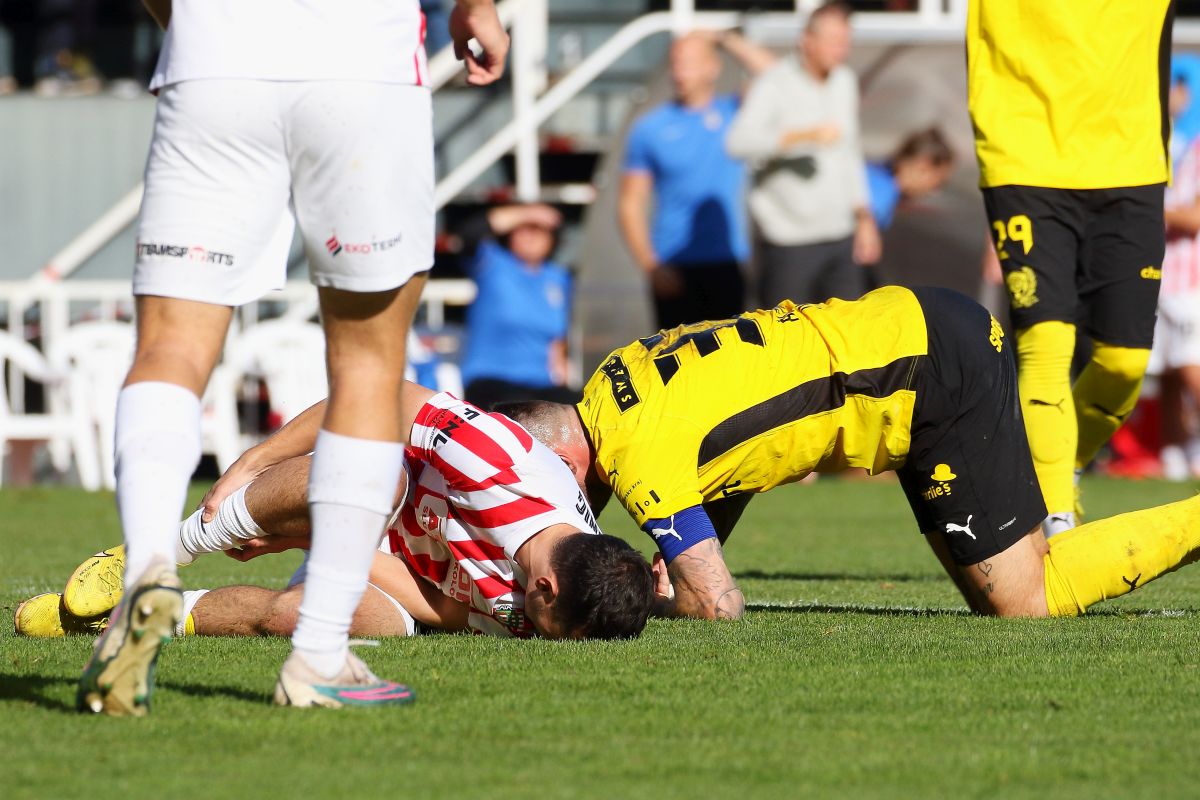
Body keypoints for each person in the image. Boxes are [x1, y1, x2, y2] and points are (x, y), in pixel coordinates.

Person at [78, 0, 509, 717]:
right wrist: (476, 8)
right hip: (362, 68)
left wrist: (189, 30)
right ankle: (318, 653)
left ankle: (146, 575)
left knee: (168, 345)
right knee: (367, 368)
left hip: (216, 60)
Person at [496, 286, 1200, 623]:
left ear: (564, 468)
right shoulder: (613, 375)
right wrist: (678, 554)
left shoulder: (636, 457)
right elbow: (724, 442)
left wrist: (648, 600)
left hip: (923, 371)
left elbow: (719, 605)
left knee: (1026, 603)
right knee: (1000, 595)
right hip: (907, 333)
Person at [18, 383, 655, 651]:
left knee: (298, 617)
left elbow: (443, 607)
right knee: (372, 474)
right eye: (550, 631)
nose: (542, 640)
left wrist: (316, 546)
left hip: (403, 566)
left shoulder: (558, 596)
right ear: (546, 588)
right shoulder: (497, 464)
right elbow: (374, 395)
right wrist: (255, 460)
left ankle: (130, 618)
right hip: (380, 491)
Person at [966, 0, 1175, 537]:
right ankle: (1056, 518)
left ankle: (1059, 461)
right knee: (1045, 346)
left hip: (1129, 161)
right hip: (1024, 156)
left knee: (1124, 364)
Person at [726, 2, 880, 308]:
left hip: (840, 236)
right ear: (807, 40)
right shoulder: (774, 83)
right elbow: (736, 142)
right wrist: (799, 137)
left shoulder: (845, 80)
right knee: (789, 334)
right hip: (789, 242)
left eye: (846, 41)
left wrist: (864, 217)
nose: (842, 49)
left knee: (845, 332)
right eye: (834, 41)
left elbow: (850, 153)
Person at [618, 32, 758, 330]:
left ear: (713, 67)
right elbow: (630, 203)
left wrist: (724, 38)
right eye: (675, 63)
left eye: (690, 63)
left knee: (728, 354)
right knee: (677, 355)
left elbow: (774, 76)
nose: (680, 73)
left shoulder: (734, 112)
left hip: (726, 261)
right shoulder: (650, 128)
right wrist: (650, 265)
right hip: (673, 264)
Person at [456, 204, 578, 410]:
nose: (531, 236)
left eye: (538, 229)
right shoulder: (492, 264)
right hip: (492, 380)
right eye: (524, 228)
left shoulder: (558, 279)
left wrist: (561, 368)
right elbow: (468, 235)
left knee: (583, 409)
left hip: (542, 384)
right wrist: (526, 213)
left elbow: (558, 337)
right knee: (523, 411)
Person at [1154, 62, 1200, 481]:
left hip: (1191, 281)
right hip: (1165, 277)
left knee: (1191, 366)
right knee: (1168, 371)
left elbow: (1195, 217)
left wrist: (1146, 205)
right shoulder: (1181, 143)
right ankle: (1174, 453)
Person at [865, 128, 955, 232]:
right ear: (924, 166)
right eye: (940, 182)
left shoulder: (871, 173)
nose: (935, 191)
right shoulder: (881, 196)